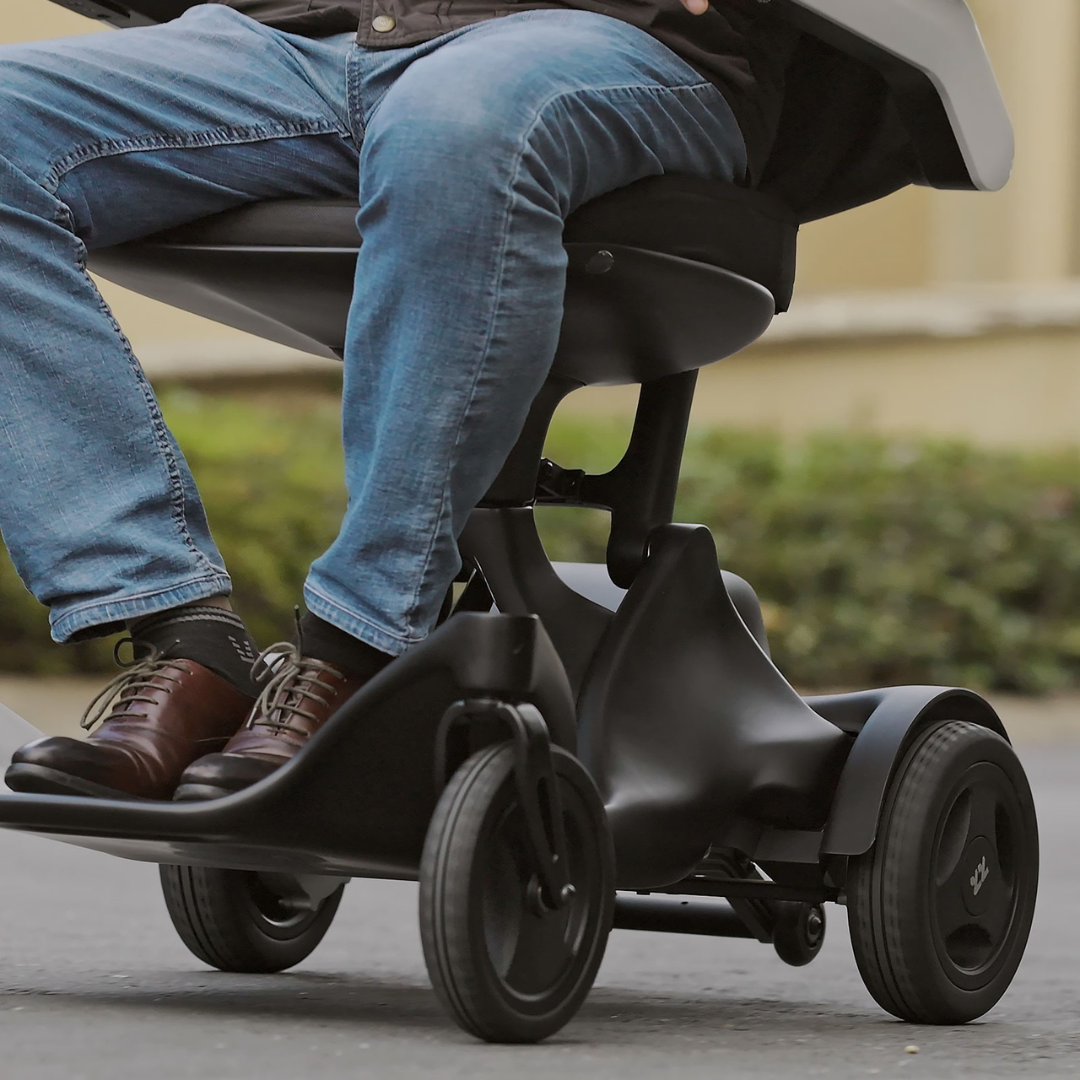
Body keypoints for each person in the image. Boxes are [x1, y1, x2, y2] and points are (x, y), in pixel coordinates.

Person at [0, 0, 799, 801]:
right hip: (314, 37)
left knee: (455, 119)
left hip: (607, 44)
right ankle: (187, 641)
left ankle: (358, 651)